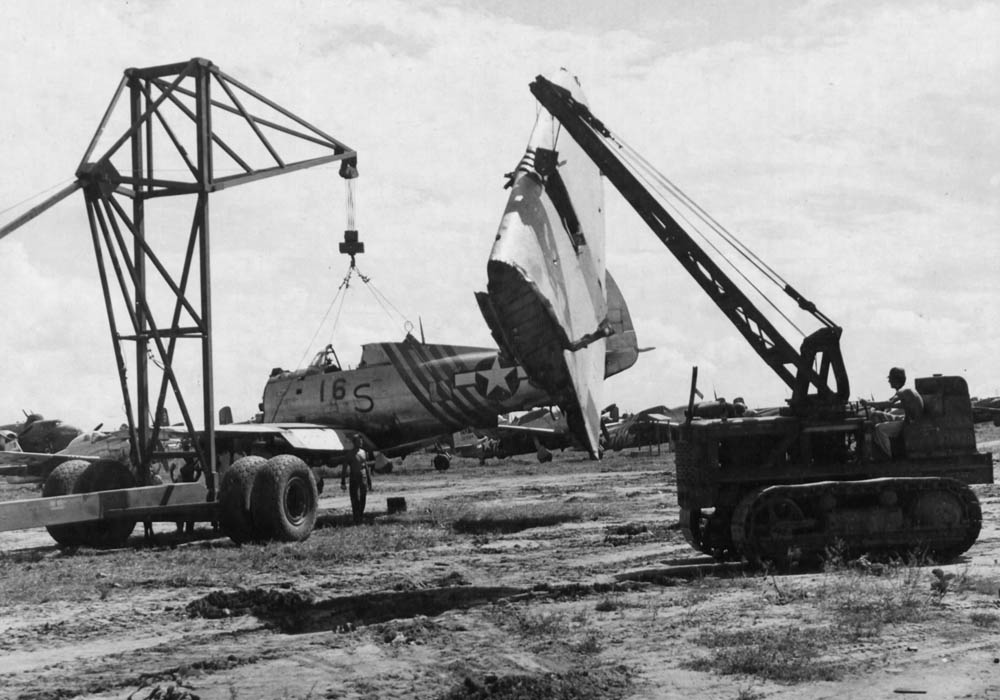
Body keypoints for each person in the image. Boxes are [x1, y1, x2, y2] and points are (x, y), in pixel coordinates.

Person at [865, 367, 924, 458]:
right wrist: (879, 411)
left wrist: (868, 403)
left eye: (890, 379)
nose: (889, 381)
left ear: (896, 379)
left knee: (879, 428)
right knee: (878, 414)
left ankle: (888, 457)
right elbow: (899, 405)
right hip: (907, 420)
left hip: (910, 424)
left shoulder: (902, 391)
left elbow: (889, 403)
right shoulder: (906, 390)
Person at [341, 434, 373, 525]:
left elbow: (366, 467)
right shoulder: (349, 454)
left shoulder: (364, 452)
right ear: (354, 442)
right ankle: (356, 518)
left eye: (361, 441)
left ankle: (361, 516)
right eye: (359, 441)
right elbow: (344, 468)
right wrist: (343, 481)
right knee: (355, 498)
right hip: (354, 478)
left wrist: (369, 480)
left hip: (363, 478)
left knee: (363, 497)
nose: (361, 442)